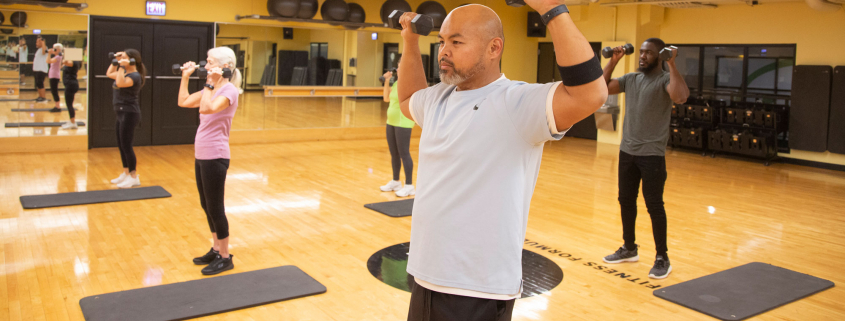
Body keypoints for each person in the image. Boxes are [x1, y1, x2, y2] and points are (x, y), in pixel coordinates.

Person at [396, 2, 607, 320]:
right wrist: (410, 41)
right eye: (441, 42)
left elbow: (590, 94)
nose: (444, 51)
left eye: (456, 41)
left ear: (494, 48)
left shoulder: (518, 103)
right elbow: (407, 98)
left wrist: (551, 10)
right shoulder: (439, 98)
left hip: (476, 290)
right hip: (426, 276)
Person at [600, 38, 690, 279]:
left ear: (659, 56)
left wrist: (671, 64)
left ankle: (663, 258)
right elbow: (600, 88)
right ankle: (629, 248)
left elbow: (680, 96)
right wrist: (614, 62)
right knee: (625, 201)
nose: (642, 56)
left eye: (648, 53)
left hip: (652, 155)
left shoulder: (664, 80)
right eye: (641, 52)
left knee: (654, 206)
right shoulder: (632, 79)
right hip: (627, 151)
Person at [177, 46, 243, 275]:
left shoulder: (230, 91)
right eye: (206, 61)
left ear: (225, 67)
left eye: (210, 62)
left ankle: (225, 256)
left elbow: (207, 109)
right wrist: (185, 77)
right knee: (206, 205)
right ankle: (216, 249)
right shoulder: (212, 88)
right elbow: (183, 101)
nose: (205, 66)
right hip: (202, 154)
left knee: (216, 207)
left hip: (216, 155)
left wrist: (209, 84)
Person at [107, 49, 146, 189]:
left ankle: (134, 177)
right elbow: (109, 74)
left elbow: (120, 83)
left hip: (130, 113)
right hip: (120, 112)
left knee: (127, 146)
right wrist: (115, 62)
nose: (120, 60)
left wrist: (122, 66)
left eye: (124, 57)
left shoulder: (135, 76)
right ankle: (125, 173)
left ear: (132, 60)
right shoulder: (124, 72)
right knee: (121, 145)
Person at [380, 68, 416, 197]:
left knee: (404, 153)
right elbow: (386, 98)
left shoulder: (409, 84)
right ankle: (396, 181)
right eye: (398, 66)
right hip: (391, 121)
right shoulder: (396, 83)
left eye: (401, 66)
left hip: (403, 122)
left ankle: (409, 186)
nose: (398, 68)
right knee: (394, 153)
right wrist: (387, 80)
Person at [59, 46, 81, 130]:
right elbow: (62, 64)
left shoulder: (74, 62)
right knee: (69, 104)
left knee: (69, 105)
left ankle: (73, 123)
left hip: (71, 84)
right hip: (70, 84)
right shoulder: (72, 61)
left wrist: (65, 55)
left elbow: (65, 62)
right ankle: (71, 121)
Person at [46, 43, 64, 113]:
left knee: (54, 91)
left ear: (58, 49)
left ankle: (58, 106)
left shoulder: (58, 57)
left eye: (55, 49)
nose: (53, 50)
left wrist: (49, 54)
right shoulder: (57, 57)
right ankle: (57, 106)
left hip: (54, 76)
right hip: (53, 75)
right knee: (54, 91)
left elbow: (48, 61)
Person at [32, 36, 49, 102]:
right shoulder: (38, 49)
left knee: (40, 83)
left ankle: (43, 97)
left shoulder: (45, 48)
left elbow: (44, 51)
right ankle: (40, 96)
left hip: (41, 70)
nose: (36, 43)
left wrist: (43, 42)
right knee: (38, 84)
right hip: (37, 70)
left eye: (37, 42)